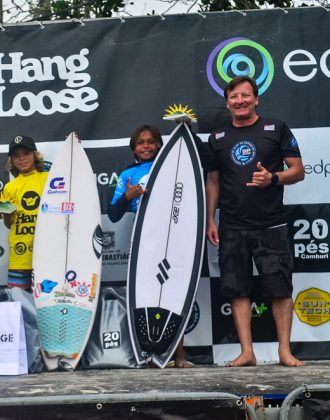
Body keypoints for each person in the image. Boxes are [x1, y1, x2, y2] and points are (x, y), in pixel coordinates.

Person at [205, 76, 305, 367]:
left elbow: (298, 170)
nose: (240, 100)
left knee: (280, 288)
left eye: (245, 95)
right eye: (234, 96)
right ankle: (247, 352)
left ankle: (284, 351)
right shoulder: (217, 138)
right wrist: (211, 219)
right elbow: (213, 182)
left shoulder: (276, 129)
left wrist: (272, 177)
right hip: (232, 226)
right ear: (227, 102)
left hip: (271, 224)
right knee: (237, 289)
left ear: (256, 99)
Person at [108, 124, 192, 368]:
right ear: (134, 147)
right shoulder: (127, 175)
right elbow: (113, 214)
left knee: (174, 293)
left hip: (173, 236)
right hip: (143, 240)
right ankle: (145, 353)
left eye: (150, 141)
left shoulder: (173, 168)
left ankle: (178, 357)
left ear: (159, 145)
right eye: (140, 142)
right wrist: (128, 197)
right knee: (144, 294)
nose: (145, 146)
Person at [1, 135, 48, 290]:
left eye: (26, 154)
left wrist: (74, 148)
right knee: (19, 302)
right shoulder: (10, 187)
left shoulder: (49, 178)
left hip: (48, 252)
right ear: (12, 161)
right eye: (16, 156)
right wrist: (7, 215)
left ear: (35, 155)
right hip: (20, 254)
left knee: (48, 298)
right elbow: (8, 225)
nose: (22, 159)